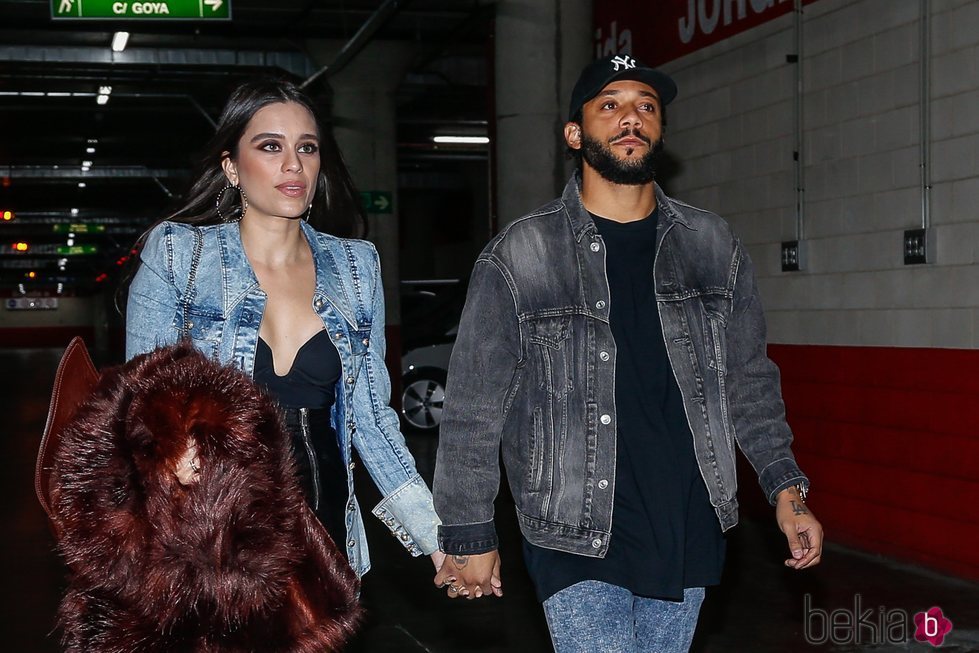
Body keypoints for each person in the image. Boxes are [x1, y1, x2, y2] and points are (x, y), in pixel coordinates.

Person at [432, 55, 823, 651]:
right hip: (572, 524)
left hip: (689, 517)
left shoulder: (712, 245)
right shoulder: (521, 254)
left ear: (660, 129)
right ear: (575, 132)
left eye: (645, 105)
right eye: (609, 105)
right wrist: (468, 531)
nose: (630, 118)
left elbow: (748, 381)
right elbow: (474, 407)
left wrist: (786, 492)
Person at [125, 78, 444, 579]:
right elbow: (141, 398)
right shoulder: (178, 255)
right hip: (212, 533)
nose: (293, 164)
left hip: (325, 529)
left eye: (307, 148)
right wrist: (173, 450)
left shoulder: (356, 267)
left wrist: (435, 540)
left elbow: (372, 421)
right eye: (270, 146)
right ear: (231, 166)